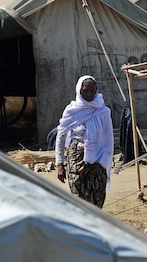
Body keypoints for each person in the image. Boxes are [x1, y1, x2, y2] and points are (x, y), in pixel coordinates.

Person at [55, 76, 114, 208]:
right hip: (76, 157)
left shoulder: (103, 111)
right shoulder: (71, 111)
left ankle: (94, 226)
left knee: (97, 197)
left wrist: (103, 160)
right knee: (78, 198)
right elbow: (61, 136)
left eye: (92, 91)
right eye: (86, 91)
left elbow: (108, 139)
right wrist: (59, 164)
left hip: (98, 160)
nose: (89, 95)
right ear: (79, 91)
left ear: (96, 91)